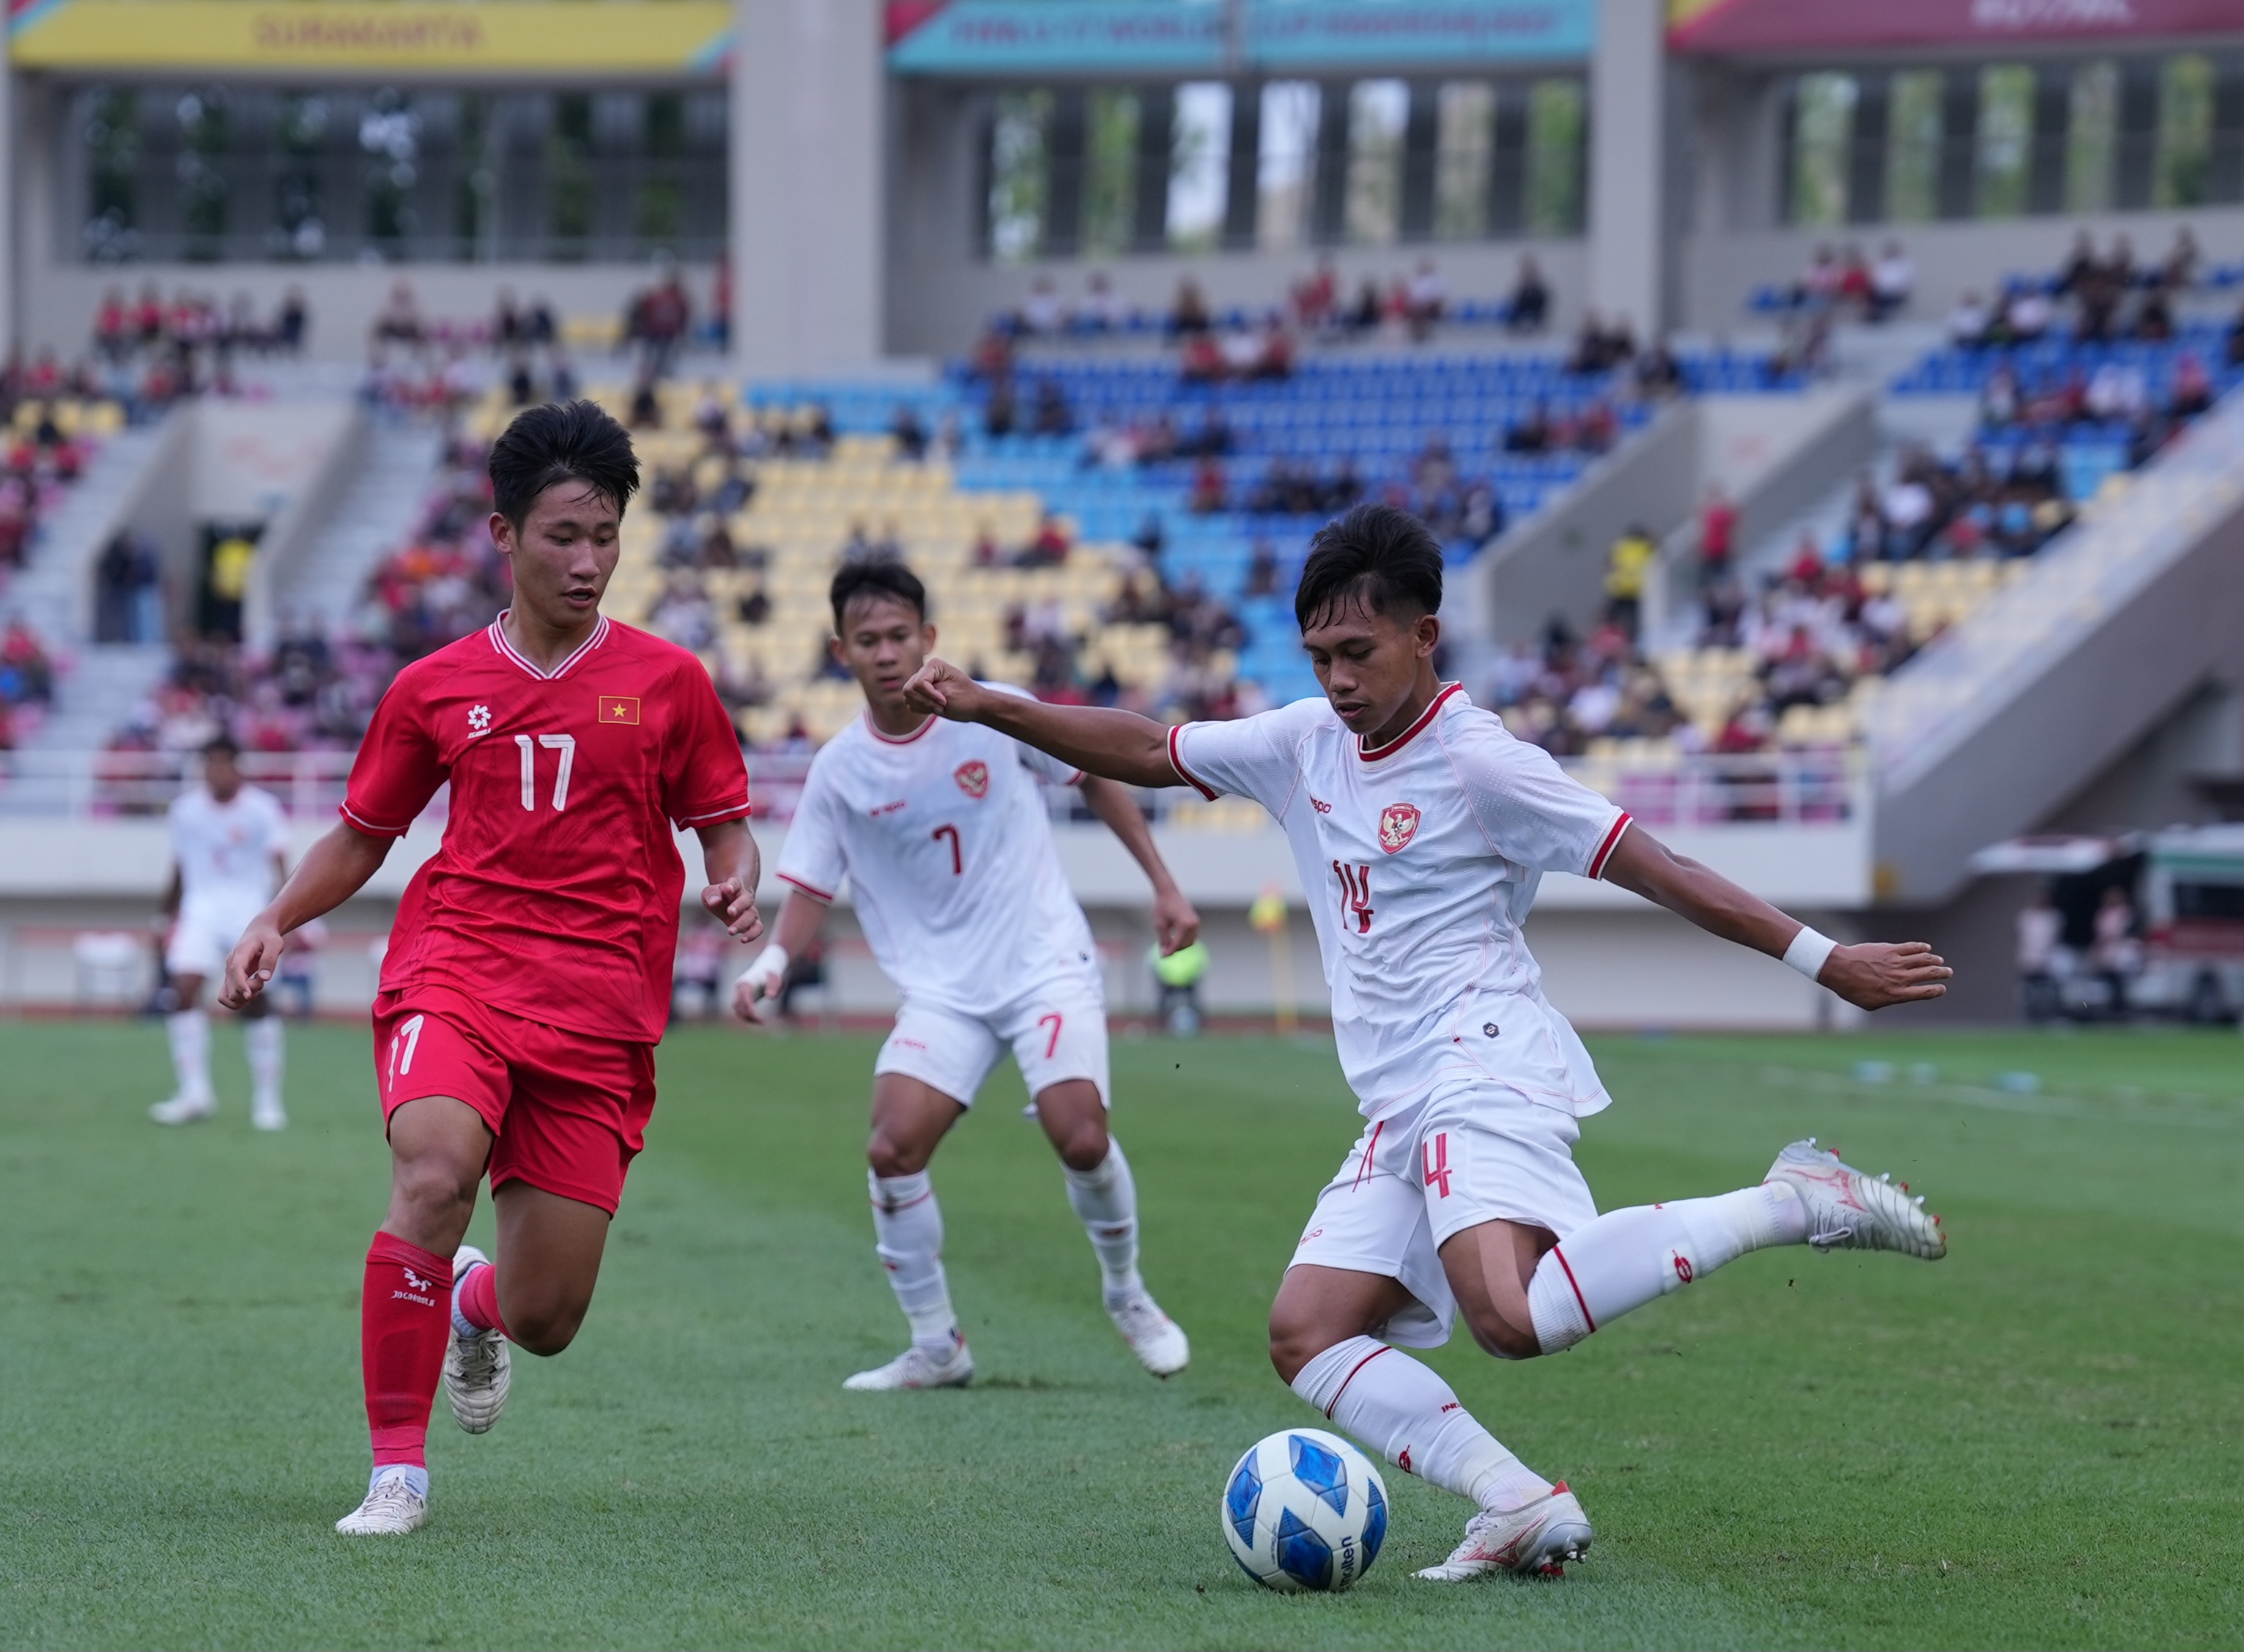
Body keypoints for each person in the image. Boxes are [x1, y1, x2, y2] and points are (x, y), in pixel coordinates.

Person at [900, 501, 1950, 1582]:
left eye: (1356, 651)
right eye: (1317, 656)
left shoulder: (1480, 763)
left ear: (1422, 636)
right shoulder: (1302, 742)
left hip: (1481, 1061)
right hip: (1400, 1094)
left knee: (1512, 1314)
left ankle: (1791, 1197)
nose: (1336, 679)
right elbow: (1145, 746)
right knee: (1306, 1331)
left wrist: (1827, 960)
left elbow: (1660, 867)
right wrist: (991, 706)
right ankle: (1515, 1500)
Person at [218, 401, 761, 1537]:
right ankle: (397, 1474)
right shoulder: (433, 685)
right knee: (430, 1169)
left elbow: (722, 822)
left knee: (547, 1312)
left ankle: (472, 1299)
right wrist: (279, 914)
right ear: (503, 534)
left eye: (606, 535)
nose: (587, 560)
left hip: (600, 1005)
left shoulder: (671, 683)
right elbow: (366, 832)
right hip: (456, 966)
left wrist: (734, 871)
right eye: (563, 534)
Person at [733, 558, 1201, 1391]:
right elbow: (809, 881)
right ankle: (937, 1344)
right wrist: (771, 958)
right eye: (868, 640)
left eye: (900, 636)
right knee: (891, 1145)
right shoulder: (841, 767)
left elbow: (1092, 771)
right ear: (842, 650)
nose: (886, 653)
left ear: (930, 639)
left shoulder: (986, 712)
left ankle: (1128, 1293)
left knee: (1081, 1134)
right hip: (946, 989)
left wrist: (1163, 883)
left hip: (1041, 960)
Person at [149, 733, 292, 1130]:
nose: (215, 771)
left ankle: (267, 1099)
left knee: (255, 1000)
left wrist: (289, 919)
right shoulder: (185, 811)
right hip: (200, 909)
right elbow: (179, 867)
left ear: (237, 766)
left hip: (249, 911)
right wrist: (164, 918)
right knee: (183, 990)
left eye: (222, 763)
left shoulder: (263, 810)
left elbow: (281, 864)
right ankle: (194, 1093)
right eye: (208, 764)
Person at [2092, 884, 2139, 1021]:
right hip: (2107, 951)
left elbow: (2124, 931)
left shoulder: (2126, 912)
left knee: (2120, 982)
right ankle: (2111, 1010)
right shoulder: (2104, 913)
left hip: (2121, 951)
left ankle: (2121, 1011)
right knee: (2108, 982)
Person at [2016, 886, 2062, 1023]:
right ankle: (2031, 1018)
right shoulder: (2026, 916)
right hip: (2028, 960)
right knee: (2029, 991)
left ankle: (2048, 1017)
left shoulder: (2053, 917)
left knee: (2047, 991)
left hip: (2047, 962)